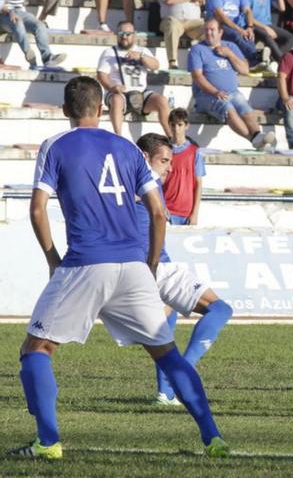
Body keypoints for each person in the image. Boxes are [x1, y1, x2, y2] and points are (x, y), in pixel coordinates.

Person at [6, 76, 229, 459]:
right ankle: (213, 437)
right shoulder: (127, 149)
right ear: (102, 108)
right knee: (167, 354)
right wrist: (152, 264)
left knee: (37, 348)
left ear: (65, 111)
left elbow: (37, 208)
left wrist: (52, 260)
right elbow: (159, 213)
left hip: (87, 262)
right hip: (134, 264)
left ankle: (47, 442)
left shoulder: (55, 146)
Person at [134, 133, 235, 407]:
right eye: (164, 161)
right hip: (157, 267)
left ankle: (165, 393)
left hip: (138, 268)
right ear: (145, 157)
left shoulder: (129, 183)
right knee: (221, 309)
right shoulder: (146, 181)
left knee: (167, 316)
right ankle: (184, 372)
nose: (169, 168)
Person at [189, 18, 276, 150]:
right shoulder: (197, 49)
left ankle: (258, 135)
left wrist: (229, 54)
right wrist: (215, 92)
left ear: (220, 32)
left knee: (244, 105)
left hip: (232, 92)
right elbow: (197, 77)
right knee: (228, 107)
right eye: (206, 30)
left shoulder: (230, 47)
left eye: (212, 30)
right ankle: (254, 139)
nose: (209, 33)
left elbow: (245, 70)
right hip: (207, 95)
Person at [97, 21, 172, 138]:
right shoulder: (109, 52)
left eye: (128, 33)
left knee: (162, 100)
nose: (124, 36)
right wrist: (112, 87)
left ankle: (172, 138)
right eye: (121, 33)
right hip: (119, 93)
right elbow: (101, 75)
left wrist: (141, 57)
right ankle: (118, 137)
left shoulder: (142, 51)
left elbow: (156, 65)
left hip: (141, 93)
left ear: (134, 35)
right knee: (116, 100)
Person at [0, 0, 65, 69]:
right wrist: (10, 12)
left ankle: (47, 57)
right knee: (17, 23)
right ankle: (28, 53)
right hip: (3, 13)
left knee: (39, 25)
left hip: (19, 11)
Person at [205, 0, 264, 68]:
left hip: (238, 25)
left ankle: (253, 62)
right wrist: (239, 29)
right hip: (220, 24)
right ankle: (256, 59)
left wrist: (250, 27)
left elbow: (247, 10)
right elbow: (219, 14)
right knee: (236, 35)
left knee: (249, 35)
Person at [163, 108, 205, 225]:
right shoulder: (164, 151)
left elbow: (198, 184)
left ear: (187, 126)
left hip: (186, 213)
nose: (176, 129)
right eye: (173, 125)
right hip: (166, 212)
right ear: (169, 126)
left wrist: (195, 214)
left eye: (180, 125)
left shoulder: (195, 152)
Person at [158, 0, 205, 70]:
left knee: (208, 27)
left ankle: (205, 63)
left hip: (193, 23)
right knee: (172, 25)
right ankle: (172, 62)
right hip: (173, 20)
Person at [248, 0, 293, 66]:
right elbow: (248, 17)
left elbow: (282, 8)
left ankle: (272, 60)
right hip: (254, 25)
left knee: (290, 38)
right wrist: (266, 28)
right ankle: (282, 64)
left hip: (268, 25)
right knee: (268, 37)